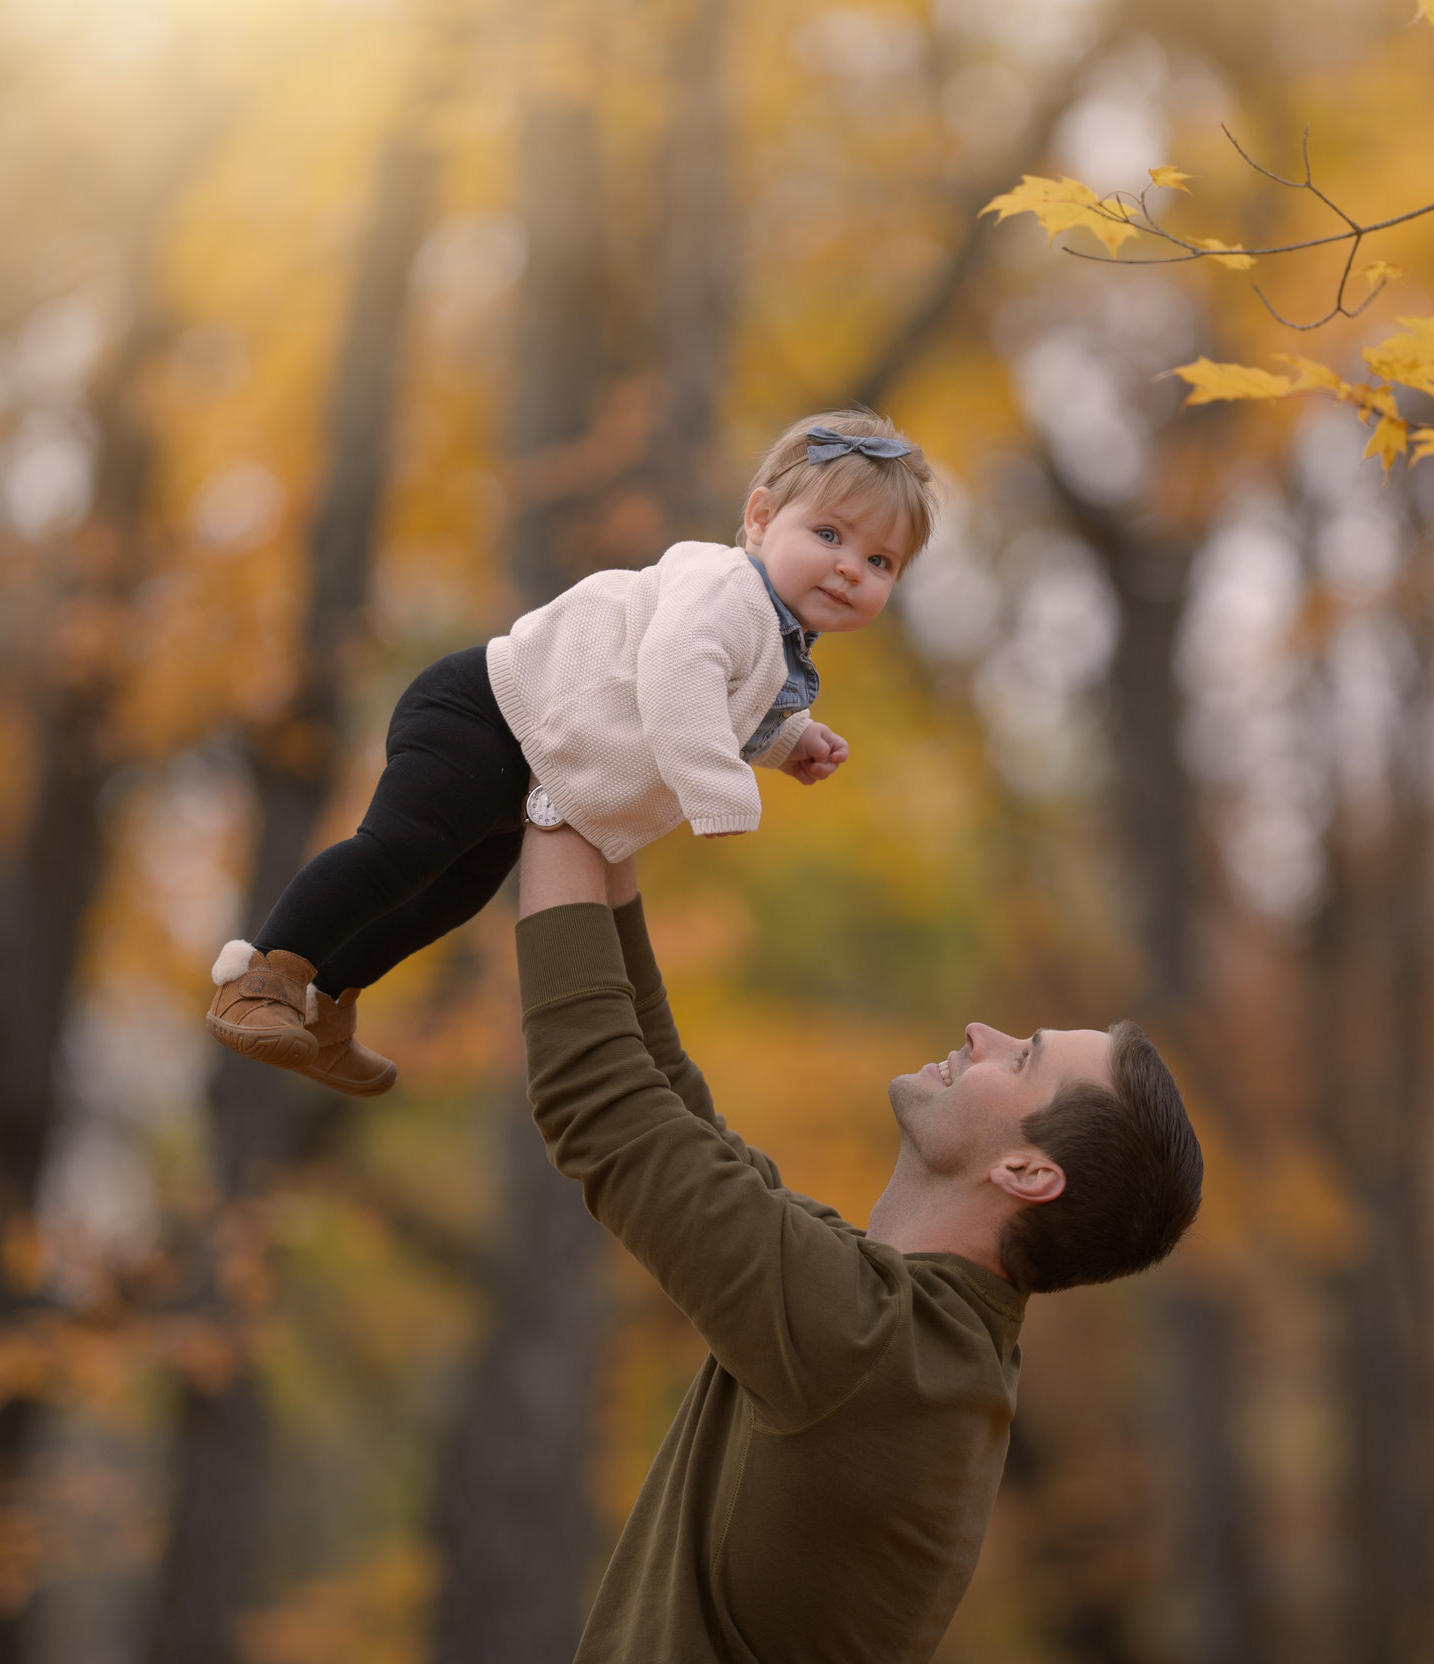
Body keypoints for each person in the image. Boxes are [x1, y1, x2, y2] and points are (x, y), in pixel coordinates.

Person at [512, 818, 1204, 1663]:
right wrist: (609, 809)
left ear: (1027, 1174)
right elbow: (669, 1101)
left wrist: (556, 792)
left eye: (1022, 1060)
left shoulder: (877, 1349)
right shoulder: (919, 1340)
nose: (984, 1032)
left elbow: (600, 1095)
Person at [204, 410, 936, 1096]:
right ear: (761, 519)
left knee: (447, 896)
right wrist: (721, 788)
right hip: (483, 712)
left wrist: (786, 739)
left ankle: (326, 1007)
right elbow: (677, 674)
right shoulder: (723, 589)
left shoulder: (772, 636)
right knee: (399, 852)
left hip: (523, 756)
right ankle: (260, 976)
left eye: (880, 561)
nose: (849, 569)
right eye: (831, 536)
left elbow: (726, 701)